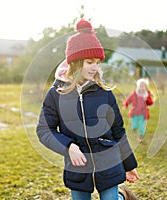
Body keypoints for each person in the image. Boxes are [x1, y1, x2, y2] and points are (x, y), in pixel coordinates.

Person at [36, 19, 139, 200]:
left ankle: (121, 195)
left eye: (98, 62)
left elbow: (118, 130)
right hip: (77, 167)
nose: (95, 67)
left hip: (108, 163)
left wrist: (129, 164)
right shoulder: (56, 94)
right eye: (90, 62)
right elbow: (44, 130)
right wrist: (69, 147)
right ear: (74, 63)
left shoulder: (104, 92)